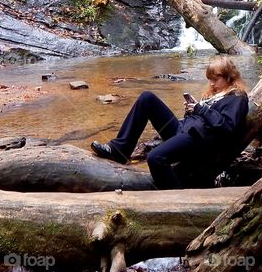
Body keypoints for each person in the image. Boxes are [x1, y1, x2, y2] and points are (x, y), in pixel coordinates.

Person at [90, 56, 249, 189]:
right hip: (184, 129)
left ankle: (176, 196)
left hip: (197, 140)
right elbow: (204, 116)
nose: (212, 84)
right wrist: (191, 110)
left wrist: (200, 109)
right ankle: (120, 150)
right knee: (147, 98)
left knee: (155, 158)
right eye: (210, 80)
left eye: (215, 79)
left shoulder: (237, 97)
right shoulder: (214, 93)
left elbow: (228, 126)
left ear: (229, 76)